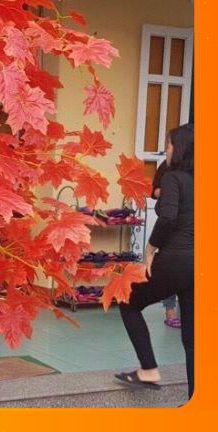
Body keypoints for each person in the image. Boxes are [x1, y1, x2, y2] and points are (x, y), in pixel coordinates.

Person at [115, 124, 194, 399]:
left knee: (128, 302)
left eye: (169, 144)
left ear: (179, 148)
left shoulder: (174, 178)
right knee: (192, 339)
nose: (165, 149)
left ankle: (148, 369)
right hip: (201, 264)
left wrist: (150, 248)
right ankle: (197, 402)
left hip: (174, 260)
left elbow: (168, 217)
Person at [151, 160, 182, 328]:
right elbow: (154, 191)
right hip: (170, 224)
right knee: (171, 269)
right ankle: (170, 312)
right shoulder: (166, 165)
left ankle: (189, 313)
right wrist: (171, 190)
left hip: (188, 225)